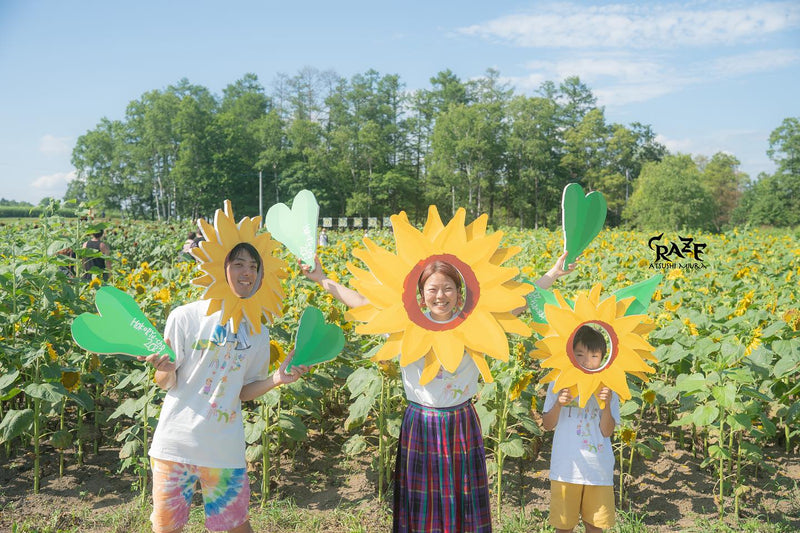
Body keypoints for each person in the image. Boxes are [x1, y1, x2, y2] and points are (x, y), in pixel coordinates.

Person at [301, 250, 575, 532]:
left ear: (460, 292)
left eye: (448, 288)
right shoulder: (405, 324)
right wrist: (322, 279)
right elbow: (362, 303)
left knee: (462, 495)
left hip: (460, 421)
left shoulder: (474, 321)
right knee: (422, 501)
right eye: (432, 289)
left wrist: (552, 275)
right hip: (421, 421)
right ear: (421, 294)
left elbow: (519, 303)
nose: (440, 295)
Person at [139, 242, 310, 533]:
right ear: (222, 268)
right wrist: (163, 370)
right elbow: (167, 382)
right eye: (239, 264)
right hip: (176, 444)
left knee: (236, 527)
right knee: (167, 529)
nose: (248, 273)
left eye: (254, 267)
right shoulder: (186, 317)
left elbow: (242, 391)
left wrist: (276, 380)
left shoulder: (257, 330)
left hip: (224, 448)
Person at [542, 325, 620, 533]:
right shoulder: (559, 381)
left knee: (596, 526)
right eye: (580, 354)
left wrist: (606, 405)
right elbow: (548, 425)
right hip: (566, 469)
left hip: (598, 469)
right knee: (563, 526)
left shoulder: (609, 385)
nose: (587, 361)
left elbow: (607, 431)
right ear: (570, 355)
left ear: (604, 357)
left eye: (594, 355)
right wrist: (559, 403)